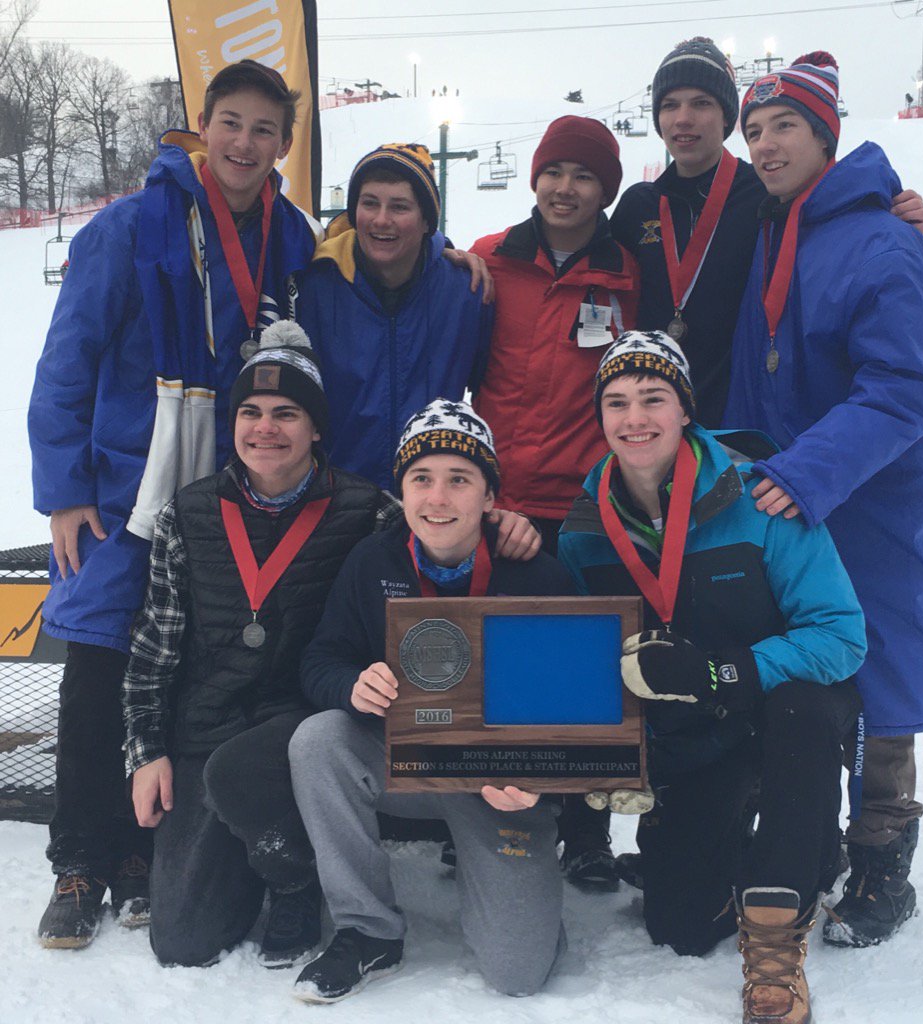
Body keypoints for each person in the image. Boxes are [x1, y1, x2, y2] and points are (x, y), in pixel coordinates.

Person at [28, 59, 321, 949]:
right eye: (230, 123)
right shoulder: (129, 226)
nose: (244, 143)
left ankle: (140, 853)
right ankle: (80, 857)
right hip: (122, 482)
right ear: (203, 122)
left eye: (264, 130)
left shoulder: (293, 234)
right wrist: (64, 491)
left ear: (284, 142)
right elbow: (66, 360)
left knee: (185, 663)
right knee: (99, 659)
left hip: (230, 474)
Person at [559, 331, 866, 1024]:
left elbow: (841, 636)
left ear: (685, 410)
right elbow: (588, 663)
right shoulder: (583, 532)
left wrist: (720, 673)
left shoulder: (762, 500)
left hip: (781, 714)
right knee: (680, 927)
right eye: (616, 402)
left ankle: (775, 943)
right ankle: (773, 847)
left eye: (652, 398)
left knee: (801, 712)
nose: (634, 418)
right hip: (693, 740)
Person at [726, 52, 923, 950]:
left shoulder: (880, 241)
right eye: (755, 130)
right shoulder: (781, 230)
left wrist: (805, 474)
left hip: (865, 503)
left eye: (783, 125)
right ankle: (808, 842)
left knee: (882, 681)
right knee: (807, 671)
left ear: (825, 134)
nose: (765, 143)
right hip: (793, 501)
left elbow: (903, 391)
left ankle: (881, 867)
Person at [122, 322, 395, 968]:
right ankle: (255, 853)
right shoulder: (185, 515)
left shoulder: (368, 513)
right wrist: (147, 752)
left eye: (286, 414)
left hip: (299, 730)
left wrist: (505, 532)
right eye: (250, 412)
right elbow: (153, 651)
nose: (264, 429)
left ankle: (294, 878)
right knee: (183, 940)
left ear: (316, 428)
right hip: (206, 727)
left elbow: (444, 556)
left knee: (254, 771)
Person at [288, 400, 574, 1003]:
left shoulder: (538, 576)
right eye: (421, 479)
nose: (437, 498)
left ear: (490, 498)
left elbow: (579, 707)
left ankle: (525, 901)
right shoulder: (374, 561)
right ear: (402, 492)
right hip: (405, 762)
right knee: (318, 740)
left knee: (518, 973)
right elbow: (319, 660)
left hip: (494, 781)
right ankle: (367, 930)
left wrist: (542, 775)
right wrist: (351, 685)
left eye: (459, 480)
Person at [469, 115, 639, 891]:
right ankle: (481, 814)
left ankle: (586, 827)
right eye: (554, 173)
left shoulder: (628, 275)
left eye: (584, 177)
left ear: (604, 191)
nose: (565, 189)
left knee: (581, 664)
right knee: (493, 662)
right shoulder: (487, 262)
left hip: (582, 505)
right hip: (496, 497)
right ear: (533, 178)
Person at [610, 36, 923, 428]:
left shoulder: (766, 193)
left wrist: (891, 214)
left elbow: (831, 210)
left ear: (727, 117)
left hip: (736, 430)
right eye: (669, 105)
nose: (683, 119)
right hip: (650, 425)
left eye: (701, 103)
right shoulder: (636, 206)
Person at [295, 142, 495, 493]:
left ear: (426, 223)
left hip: (429, 498)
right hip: (334, 497)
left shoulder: (465, 292)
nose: (381, 219)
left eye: (400, 207)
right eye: (369, 203)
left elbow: (492, 395)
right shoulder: (316, 286)